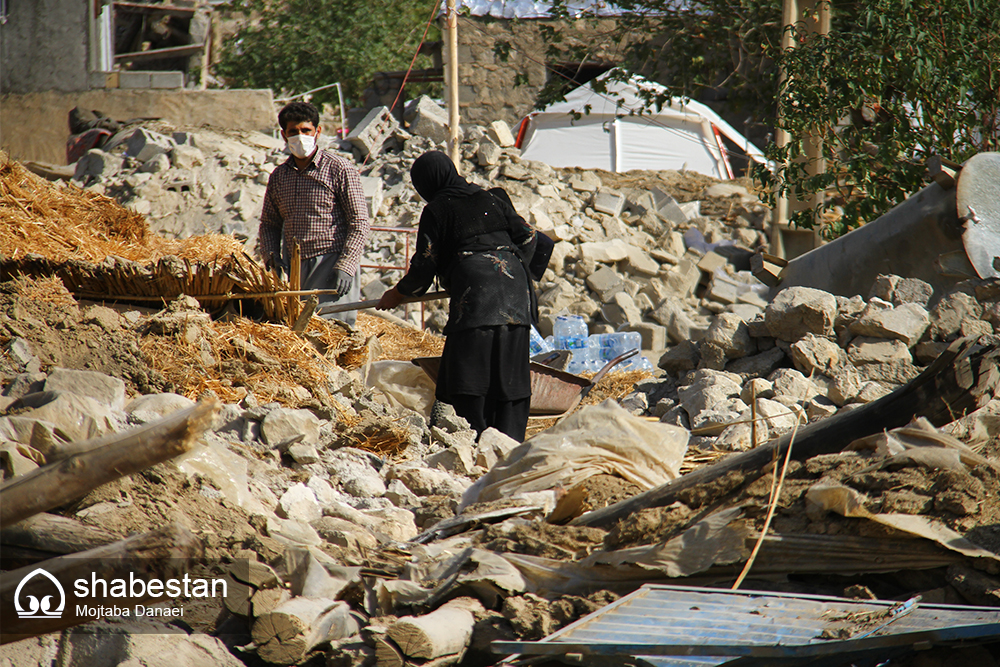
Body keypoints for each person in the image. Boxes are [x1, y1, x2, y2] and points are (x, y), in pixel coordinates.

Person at [377, 151, 538, 442]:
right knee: (509, 371)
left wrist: (396, 294)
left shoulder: (438, 210)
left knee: (469, 373)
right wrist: (513, 268)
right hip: (516, 292)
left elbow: (424, 267)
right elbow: (528, 236)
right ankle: (509, 444)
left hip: (476, 294)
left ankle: (474, 442)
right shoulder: (491, 198)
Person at [259, 101, 371, 326]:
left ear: (317, 132)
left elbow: (359, 222)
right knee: (298, 335)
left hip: (332, 265)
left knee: (331, 335)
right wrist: (272, 258)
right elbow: (269, 224)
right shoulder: (279, 176)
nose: (300, 136)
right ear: (284, 135)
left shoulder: (339, 169)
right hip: (295, 269)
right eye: (294, 132)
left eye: (306, 130)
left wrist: (346, 267)